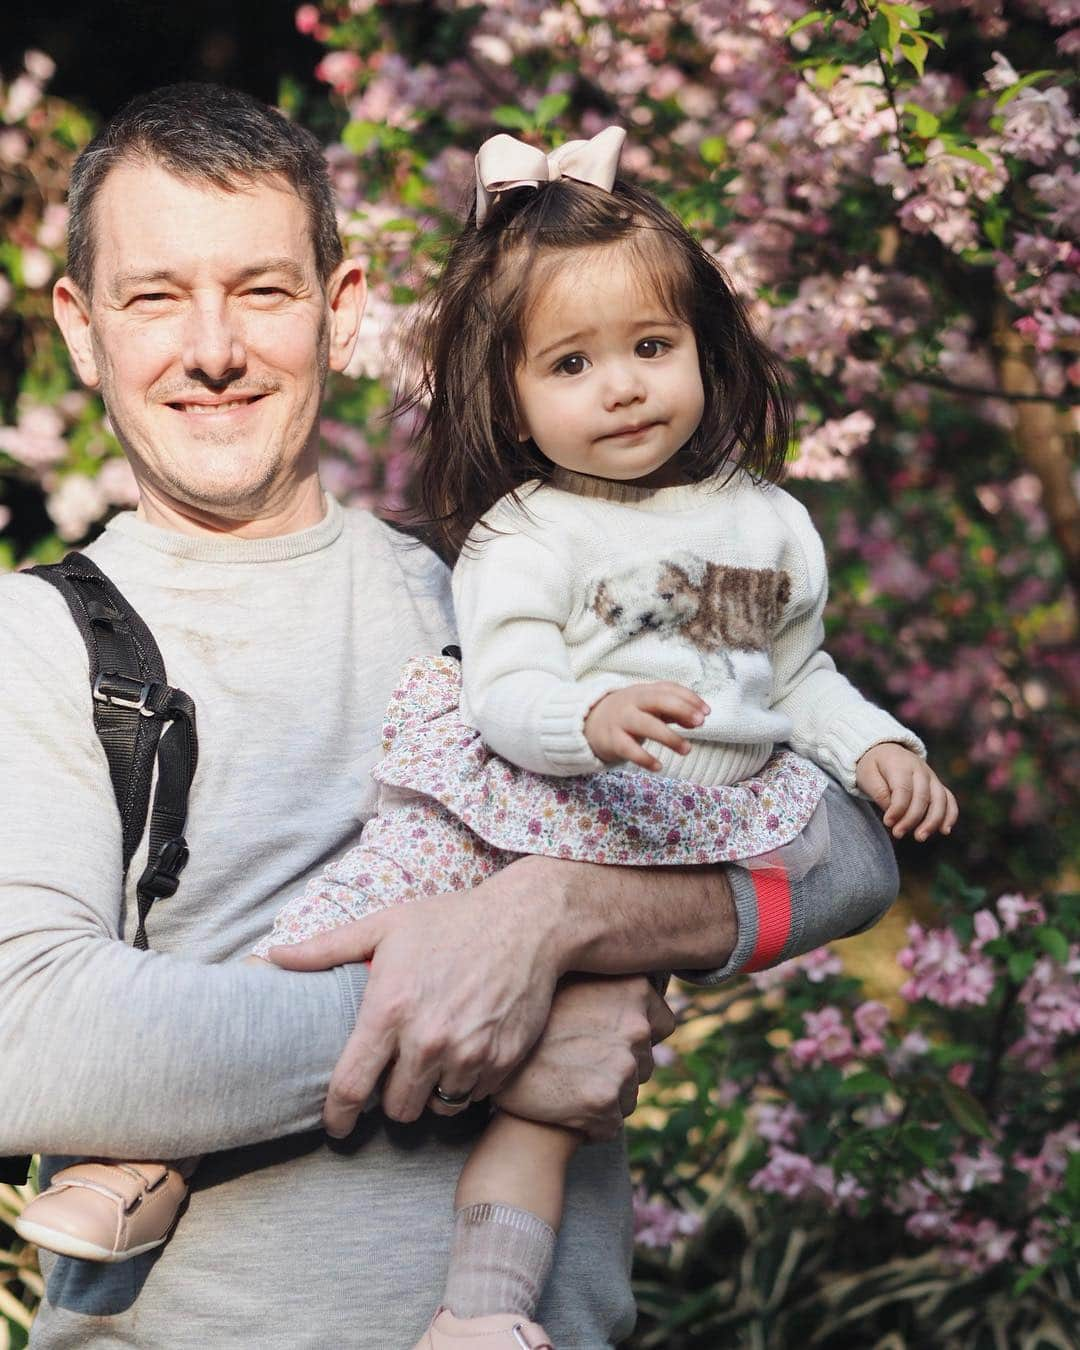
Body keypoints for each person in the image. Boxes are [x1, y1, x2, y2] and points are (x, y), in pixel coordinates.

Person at [13, 121, 953, 1349]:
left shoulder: (482, 583)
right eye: (155, 298)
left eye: (262, 291)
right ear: (84, 328)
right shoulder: (38, 640)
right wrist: (504, 1029)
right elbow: (22, 1036)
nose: (213, 349)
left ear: (342, 309)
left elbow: (845, 854)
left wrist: (555, 913)